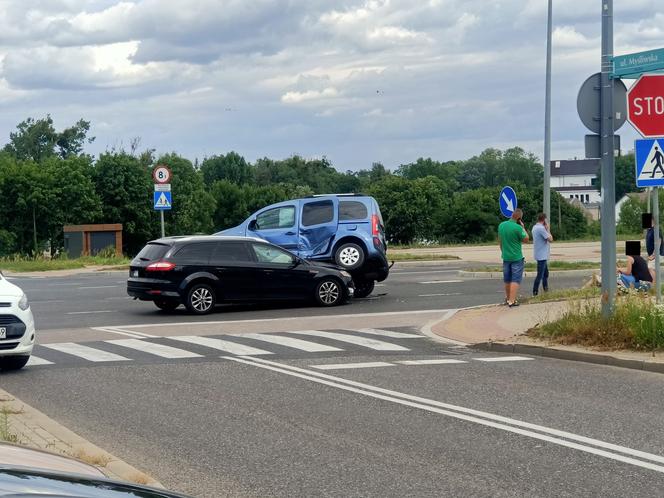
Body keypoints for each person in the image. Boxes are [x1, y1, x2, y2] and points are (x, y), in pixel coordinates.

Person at [498, 208, 529, 307]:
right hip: (516, 257)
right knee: (515, 279)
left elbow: (500, 241)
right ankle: (512, 301)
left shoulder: (501, 225)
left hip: (506, 257)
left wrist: (503, 251)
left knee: (507, 279)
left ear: (512, 215)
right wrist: (523, 227)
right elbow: (526, 239)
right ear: (519, 218)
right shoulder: (518, 228)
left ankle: (507, 299)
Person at [531, 213, 553, 296]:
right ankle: (535, 293)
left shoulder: (535, 227)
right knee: (540, 275)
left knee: (545, 273)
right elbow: (550, 239)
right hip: (542, 256)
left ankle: (546, 290)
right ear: (544, 220)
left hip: (539, 254)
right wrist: (547, 229)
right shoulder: (541, 229)